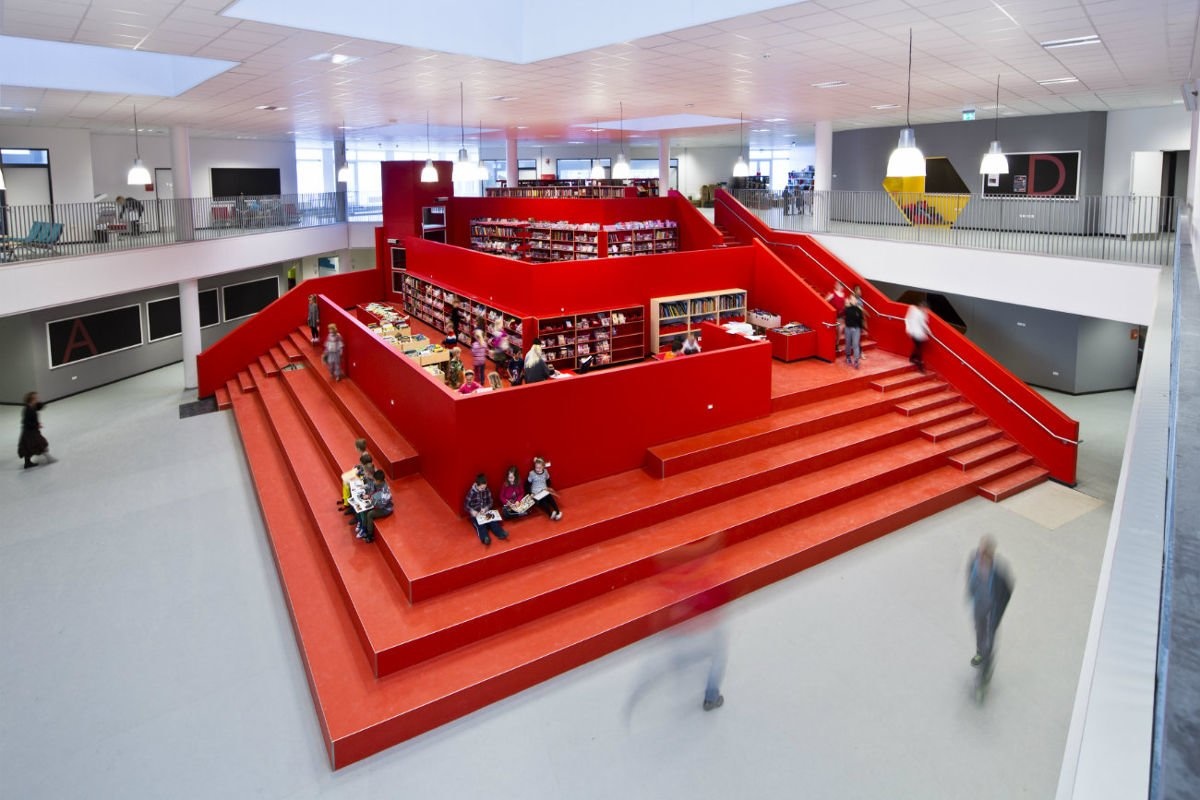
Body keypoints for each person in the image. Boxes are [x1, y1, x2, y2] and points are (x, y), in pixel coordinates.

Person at [966, 536, 1013, 695]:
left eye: (985, 554)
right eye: (981, 552)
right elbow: (970, 577)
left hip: (991, 611)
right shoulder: (974, 561)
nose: (981, 556)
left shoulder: (999, 573)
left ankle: (984, 676)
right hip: (978, 607)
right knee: (979, 633)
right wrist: (971, 595)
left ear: (991, 555)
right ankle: (980, 654)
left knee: (989, 641)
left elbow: (1007, 591)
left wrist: (998, 611)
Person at [464, 473, 509, 546]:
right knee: (480, 526)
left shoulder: (486, 490)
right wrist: (472, 511)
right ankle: (485, 538)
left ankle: (501, 533)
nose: (483, 489)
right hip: (476, 515)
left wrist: (486, 508)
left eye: (485, 487)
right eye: (482, 488)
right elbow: (466, 505)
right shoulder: (471, 493)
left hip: (486, 511)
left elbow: (491, 501)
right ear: (476, 485)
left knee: (493, 522)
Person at [355, 469, 393, 543]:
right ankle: (363, 528)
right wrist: (365, 491)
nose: (373, 481)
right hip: (375, 502)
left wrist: (370, 499)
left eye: (375, 480)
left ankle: (370, 535)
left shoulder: (385, 492)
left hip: (385, 509)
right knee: (363, 509)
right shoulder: (376, 483)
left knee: (370, 514)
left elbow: (381, 505)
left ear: (379, 481)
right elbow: (371, 488)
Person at [17, 391, 53, 469]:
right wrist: (37, 425)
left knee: (28, 446)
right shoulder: (28, 410)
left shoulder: (32, 407)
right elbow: (26, 422)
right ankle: (48, 458)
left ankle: (27, 463)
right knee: (40, 443)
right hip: (30, 432)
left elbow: (39, 407)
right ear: (32, 400)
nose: (37, 399)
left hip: (31, 431)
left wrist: (41, 404)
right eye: (36, 398)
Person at [527, 456, 562, 521]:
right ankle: (550, 513)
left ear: (543, 467)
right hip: (536, 493)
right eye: (536, 467)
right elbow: (527, 484)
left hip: (544, 490)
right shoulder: (532, 473)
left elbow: (548, 481)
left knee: (550, 498)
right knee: (542, 502)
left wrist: (548, 488)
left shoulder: (545, 472)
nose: (537, 469)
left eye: (539, 468)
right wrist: (530, 493)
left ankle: (557, 511)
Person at [905, 300, 930, 373]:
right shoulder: (914, 310)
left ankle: (912, 358)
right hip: (914, 333)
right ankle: (920, 366)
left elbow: (923, 323)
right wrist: (908, 328)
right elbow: (907, 319)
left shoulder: (923, 313)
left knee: (917, 347)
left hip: (918, 333)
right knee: (919, 348)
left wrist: (928, 330)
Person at [825, 281, 847, 355]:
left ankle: (836, 344)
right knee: (834, 330)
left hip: (841, 315)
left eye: (838, 284)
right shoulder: (832, 293)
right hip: (833, 315)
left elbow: (845, 305)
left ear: (842, 286)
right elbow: (825, 301)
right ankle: (832, 345)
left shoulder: (843, 295)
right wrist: (827, 298)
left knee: (840, 330)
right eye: (836, 284)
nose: (836, 285)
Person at [843, 293, 864, 369]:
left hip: (856, 328)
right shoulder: (847, 308)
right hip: (848, 328)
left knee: (855, 344)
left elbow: (860, 320)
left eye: (853, 299)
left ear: (856, 300)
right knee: (848, 343)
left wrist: (861, 328)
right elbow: (843, 314)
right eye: (851, 299)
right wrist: (846, 305)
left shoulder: (859, 310)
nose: (852, 300)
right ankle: (848, 356)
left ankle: (856, 360)